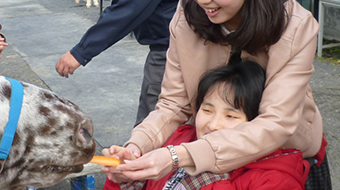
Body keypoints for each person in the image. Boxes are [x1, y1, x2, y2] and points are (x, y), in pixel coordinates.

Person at [102, 0, 331, 189]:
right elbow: (173, 103)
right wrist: (137, 145)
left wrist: (178, 156)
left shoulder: (293, 26)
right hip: (210, 152)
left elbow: (275, 123)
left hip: (281, 158)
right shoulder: (187, 16)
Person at [105, 60, 310, 190]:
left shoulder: (275, 180)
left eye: (231, 116)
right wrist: (121, 180)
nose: (213, 125)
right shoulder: (178, 140)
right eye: (207, 110)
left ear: (257, 122)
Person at [55, 0, 188, 126]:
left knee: (152, 130)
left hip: (171, 51)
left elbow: (129, 6)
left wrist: (80, 52)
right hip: (194, 43)